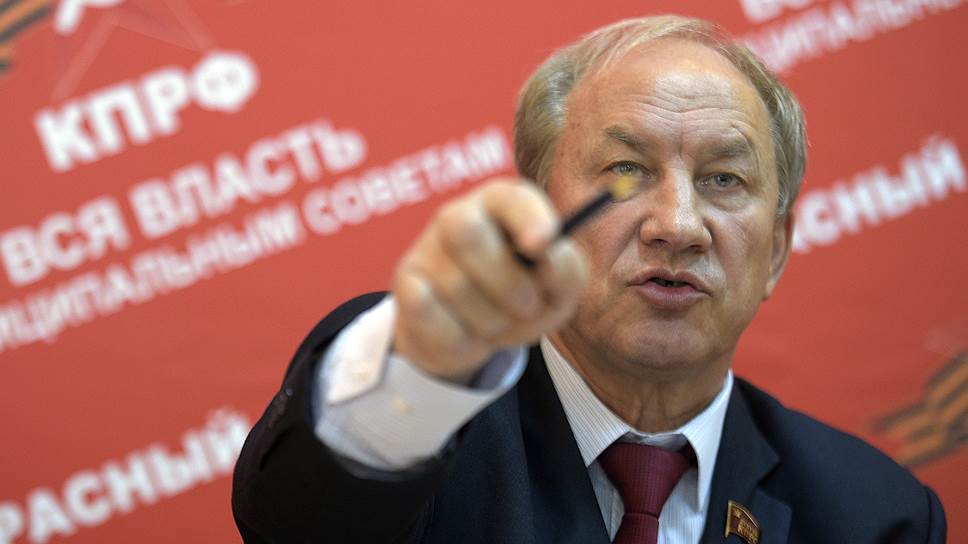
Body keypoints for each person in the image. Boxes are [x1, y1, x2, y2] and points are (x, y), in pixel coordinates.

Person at [231, 15, 946, 544]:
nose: (678, 225)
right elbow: (300, 521)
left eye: (724, 179)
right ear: (539, 215)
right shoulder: (427, 407)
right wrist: (418, 370)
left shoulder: (875, 515)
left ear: (779, 250)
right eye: (626, 171)